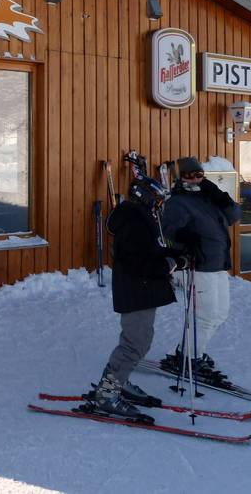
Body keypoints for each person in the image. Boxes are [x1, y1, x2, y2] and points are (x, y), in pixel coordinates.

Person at [86, 177, 187, 419]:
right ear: (146, 197)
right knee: (134, 344)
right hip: (136, 290)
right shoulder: (134, 221)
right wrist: (168, 264)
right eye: (158, 199)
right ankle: (107, 394)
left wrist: (177, 253)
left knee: (140, 341)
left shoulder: (139, 217)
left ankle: (117, 382)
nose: (159, 204)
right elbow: (136, 262)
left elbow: (149, 249)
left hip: (140, 290)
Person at [160, 156, 241, 382]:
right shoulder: (177, 201)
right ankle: (190, 357)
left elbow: (235, 216)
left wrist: (220, 195)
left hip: (219, 262)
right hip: (199, 265)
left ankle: (187, 352)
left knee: (221, 314)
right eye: (191, 175)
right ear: (181, 178)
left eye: (200, 174)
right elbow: (167, 230)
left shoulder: (208, 196)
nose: (196, 179)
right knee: (205, 316)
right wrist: (184, 237)